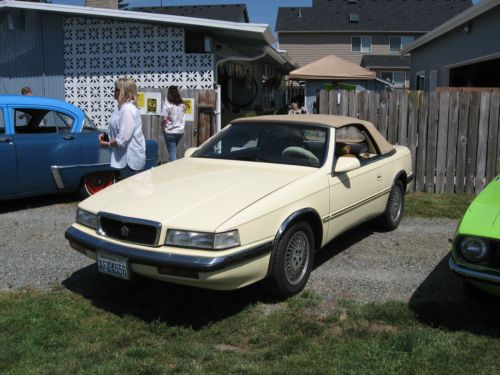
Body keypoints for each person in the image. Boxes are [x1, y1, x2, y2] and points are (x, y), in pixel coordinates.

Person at [99, 77, 146, 179]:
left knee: (131, 192)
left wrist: (107, 144)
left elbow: (123, 139)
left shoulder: (127, 110)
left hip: (129, 161)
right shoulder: (123, 108)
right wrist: (106, 135)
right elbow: (119, 128)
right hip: (126, 159)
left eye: (117, 89)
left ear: (124, 92)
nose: (114, 91)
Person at [161, 86, 186, 162]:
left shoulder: (167, 104)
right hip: (180, 131)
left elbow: (164, 119)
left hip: (170, 131)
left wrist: (162, 126)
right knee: (173, 151)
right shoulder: (182, 105)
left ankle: (173, 170)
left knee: (172, 153)